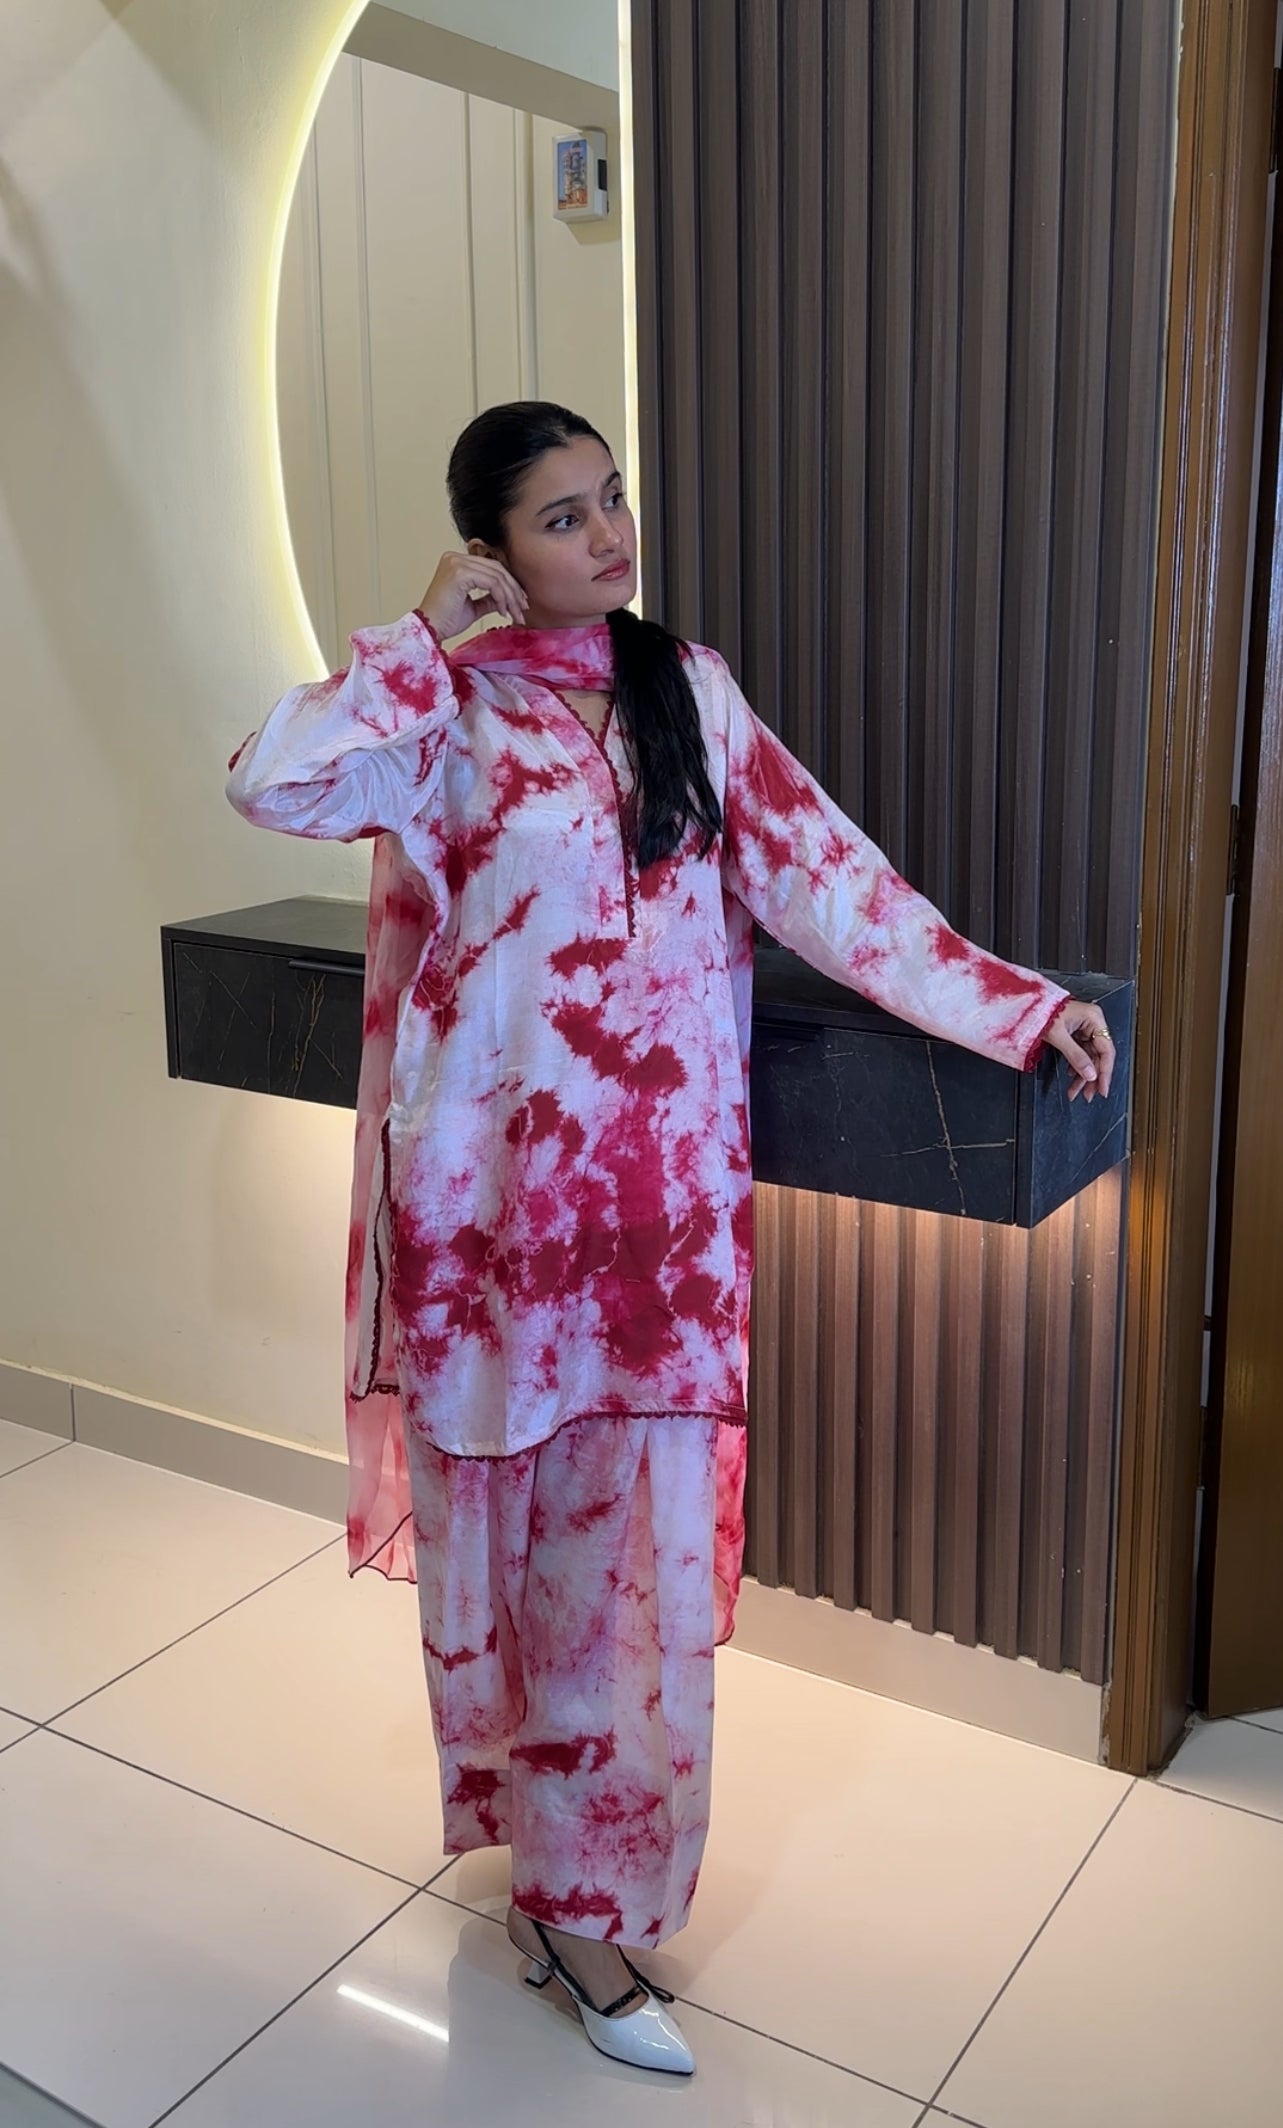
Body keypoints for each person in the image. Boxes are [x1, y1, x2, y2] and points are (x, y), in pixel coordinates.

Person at [226, 400, 1115, 2077]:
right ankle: (559, 1904)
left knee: (625, 1567)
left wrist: (1013, 1007)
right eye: (563, 517)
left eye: (611, 498)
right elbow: (270, 778)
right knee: (515, 1551)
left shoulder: (686, 690)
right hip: (494, 1230)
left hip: (658, 1230)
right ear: (493, 551)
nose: (608, 533)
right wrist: (417, 637)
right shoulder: (441, 715)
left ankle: (589, 1899)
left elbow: (832, 880)